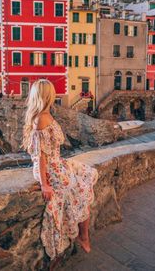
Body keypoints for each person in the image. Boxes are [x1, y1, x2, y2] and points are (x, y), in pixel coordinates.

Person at [22, 79, 98, 261]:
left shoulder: (46, 114)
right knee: (81, 191)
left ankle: (82, 234)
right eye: (53, 91)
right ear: (48, 95)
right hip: (49, 168)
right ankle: (83, 235)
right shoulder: (41, 118)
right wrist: (44, 184)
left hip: (57, 163)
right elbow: (41, 156)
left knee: (86, 176)